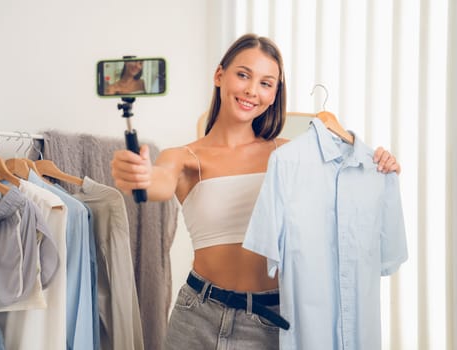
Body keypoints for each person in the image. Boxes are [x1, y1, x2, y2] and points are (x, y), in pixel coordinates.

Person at [110, 33, 401, 349]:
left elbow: (344, 185)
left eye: (266, 83)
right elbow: (160, 181)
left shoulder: (289, 156)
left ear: (275, 93)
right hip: (197, 317)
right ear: (220, 75)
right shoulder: (184, 157)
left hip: (270, 324)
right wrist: (140, 175)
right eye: (243, 75)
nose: (251, 90)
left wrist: (376, 165)